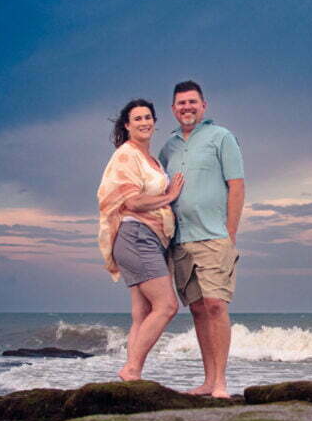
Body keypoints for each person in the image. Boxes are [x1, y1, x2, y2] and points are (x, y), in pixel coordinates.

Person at [159, 80, 244, 398]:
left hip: (214, 237)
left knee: (216, 306)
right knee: (196, 309)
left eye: (192, 102)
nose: (187, 107)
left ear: (203, 106)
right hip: (180, 241)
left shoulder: (221, 137)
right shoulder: (167, 147)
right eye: (181, 103)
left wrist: (231, 231)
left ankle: (221, 382)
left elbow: (236, 185)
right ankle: (208, 380)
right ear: (173, 109)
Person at [97, 99, 184, 382]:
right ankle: (131, 369)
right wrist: (168, 197)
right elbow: (132, 200)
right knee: (167, 306)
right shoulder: (127, 154)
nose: (144, 122)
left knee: (142, 312)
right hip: (136, 236)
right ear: (127, 125)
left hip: (150, 238)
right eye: (137, 119)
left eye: (148, 117)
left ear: (155, 122)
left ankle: (131, 376)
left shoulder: (152, 160)